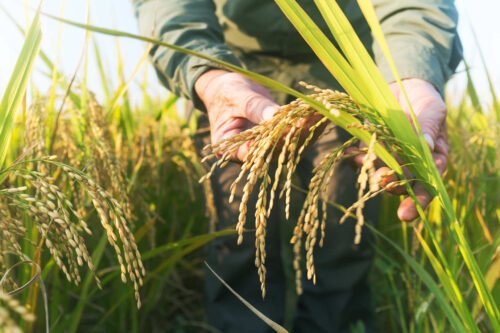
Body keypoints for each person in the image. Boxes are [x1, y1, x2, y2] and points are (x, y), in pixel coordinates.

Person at [133, 0, 462, 332]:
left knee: (342, 235)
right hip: (230, 66)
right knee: (237, 235)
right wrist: (206, 71)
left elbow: (412, 5)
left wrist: (412, 76)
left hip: (346, 70)